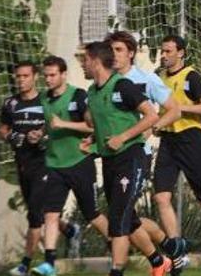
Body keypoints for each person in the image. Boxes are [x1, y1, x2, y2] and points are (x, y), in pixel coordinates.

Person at [82, 41, 172, 276]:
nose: (82, 64)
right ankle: (159, 261)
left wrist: (123, 137)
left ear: (96, 61)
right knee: (128, 220)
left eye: (85, 60)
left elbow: (151, 116)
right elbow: (104, 122)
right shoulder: (92, 91)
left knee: (118, 220)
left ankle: (116, 272)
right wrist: (93, 139)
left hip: (131, 157)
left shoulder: (123, 86)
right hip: (109, 160)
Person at [105, 31, 186, 269]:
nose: (114, 55)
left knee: (122, 216)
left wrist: (152, 128)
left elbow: (174, 110)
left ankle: (159, 260)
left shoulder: (146, 79)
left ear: (130, 53)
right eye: (110, 50)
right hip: (113, 155)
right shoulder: (105, 83)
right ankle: (169, 249)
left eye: (119, 50)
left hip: (138, 154)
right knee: (127, 217)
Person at [0, 62, 81, 276]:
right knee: (42, 211)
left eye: (25, 76)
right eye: (18, 76)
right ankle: (70, 230)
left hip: (46, 163)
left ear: (35, 77)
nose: (21, 80)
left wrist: (43, 136)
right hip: (23, 164)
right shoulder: (10, 103)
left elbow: (56, 123)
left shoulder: (45, 100)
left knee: (35, 216)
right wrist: (11, 136)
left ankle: (26, 265)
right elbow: (4, 128)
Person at [31, 56, 110, 276]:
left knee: (92, 214)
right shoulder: (44, 99)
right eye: (45, 75)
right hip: (54, 164)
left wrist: (63, 124)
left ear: (63, 74)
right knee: (51, 214)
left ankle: (116, 245)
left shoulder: (78, 95)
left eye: (52, 75)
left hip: (79, 162)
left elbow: (92, 127)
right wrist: (41, 132)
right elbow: (49, 124)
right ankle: (49, 264)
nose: (48, 79)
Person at [155, 35, 201, 273]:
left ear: (181, 53)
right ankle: (178, 251)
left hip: (190, 140)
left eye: (168, 51)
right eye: (162, 51)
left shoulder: (191, 77)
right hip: (168, 140)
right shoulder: (160, 77)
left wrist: (179, 107)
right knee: (161, 197)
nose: (164, 55)